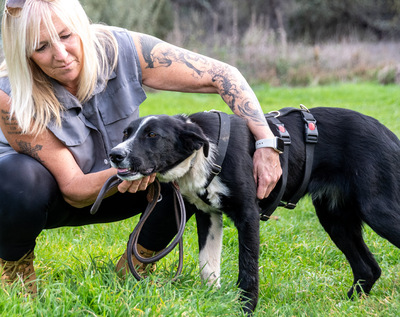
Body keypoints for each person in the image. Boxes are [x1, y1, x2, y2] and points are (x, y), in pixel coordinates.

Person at [0, 0, 282, 296]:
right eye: (40, 47)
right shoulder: (9, 93)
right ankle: (16, 271)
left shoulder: (123, 48)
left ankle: (137, 262)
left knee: (180, 158)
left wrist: (266, 143)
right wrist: (136, 167)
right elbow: (74, 188)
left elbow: (224, 75)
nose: (60, 55)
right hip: (53, 198)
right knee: (17, 178)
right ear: (24, 53)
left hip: (130, 185)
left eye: (66, 36)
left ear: (82, 27)